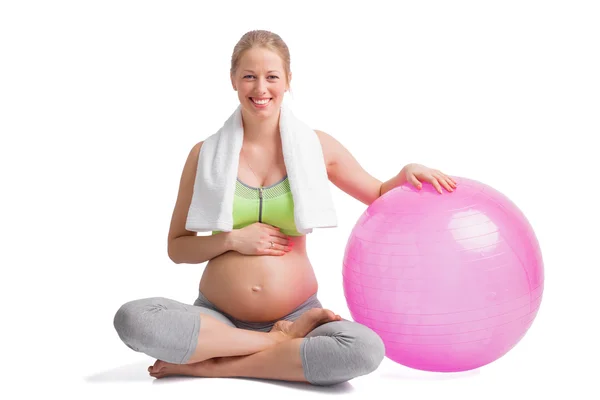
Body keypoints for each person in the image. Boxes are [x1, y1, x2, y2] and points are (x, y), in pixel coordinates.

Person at [113, 30, 457, 386]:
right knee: (133, 319)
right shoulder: (204, 155)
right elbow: (178, 247)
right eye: (249, 76)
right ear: (233, 79)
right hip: (217, 317)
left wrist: (405, 174)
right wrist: (232, 240)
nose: (260, 88)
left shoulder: (317, 147)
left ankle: (215, 363)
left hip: (299, 313)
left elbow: (379, 193)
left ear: (288, 81)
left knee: (364, 349)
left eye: (271, 77)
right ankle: (274, 345)